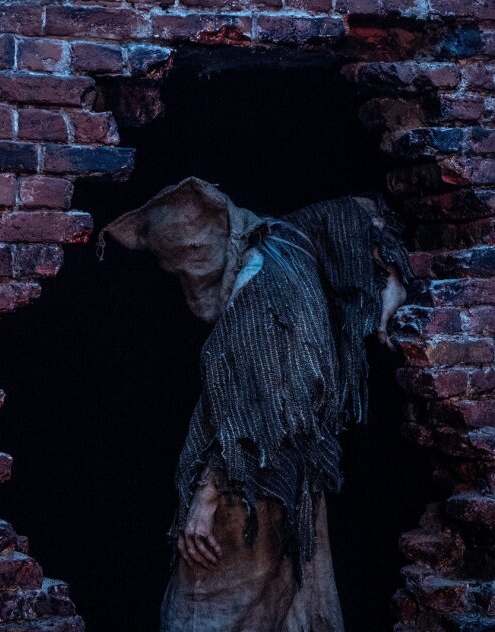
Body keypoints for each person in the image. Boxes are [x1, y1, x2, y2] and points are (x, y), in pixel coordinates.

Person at [99, 178, 411, 631]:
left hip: (248, 484)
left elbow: (255, 412)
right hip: (295, 476)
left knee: (200, 614)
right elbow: (357, 211)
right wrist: (390, 281)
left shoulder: (258, 292)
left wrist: (205, 499)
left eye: (187, 260)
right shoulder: (283, 240)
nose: (187, 276)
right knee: (288, 608)